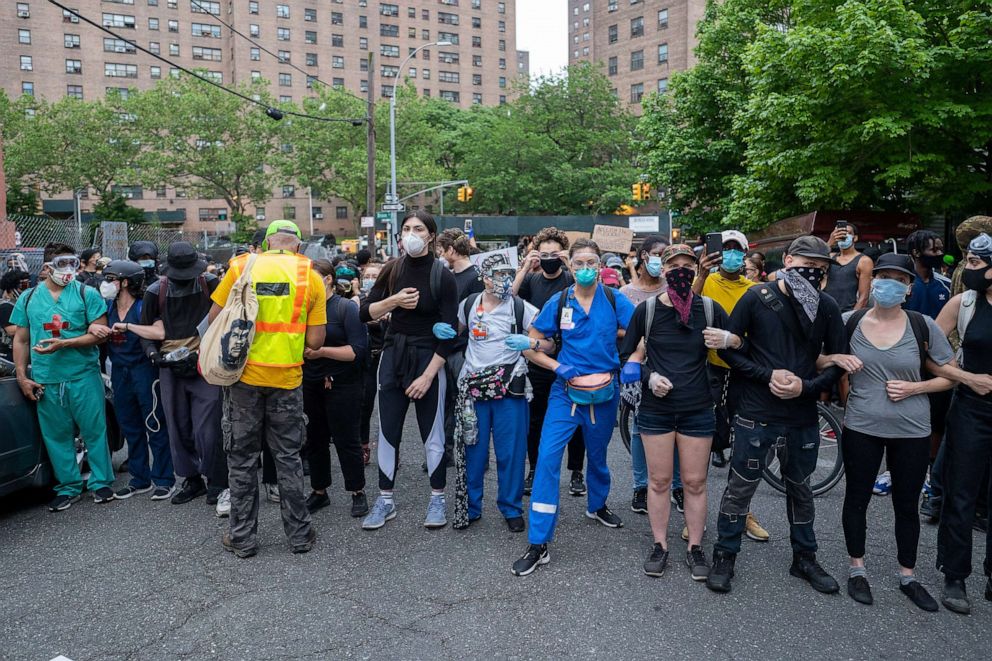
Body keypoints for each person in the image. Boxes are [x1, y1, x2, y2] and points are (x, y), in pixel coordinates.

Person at [706, 236, 850, 595]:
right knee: (740, 487)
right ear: (786, 260)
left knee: (801, 488)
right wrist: (766, 375)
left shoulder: (827, 306)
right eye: (804, 263)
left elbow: (838, 359)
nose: (811, 271)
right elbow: (731, 351)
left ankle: (805, 557)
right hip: (756, 411)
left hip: (802, 413)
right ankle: (725, 554)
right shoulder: (756, 297)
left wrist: (807, 386)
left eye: (819, 268)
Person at [830, 253, 952, 611]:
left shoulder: (922, 325)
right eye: (882, 276)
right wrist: (837, 360)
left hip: (912, 429)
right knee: (857, 497)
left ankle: (908, 575)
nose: (888, 284)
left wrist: (916, 388)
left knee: (906, 504)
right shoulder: (848, 321)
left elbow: (950, 375)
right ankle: (857, 569)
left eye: (898, 279)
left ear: (909, 288)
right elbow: (819, 357)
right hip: (862, 426)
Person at [511, 238, 635, 576]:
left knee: (597, 457)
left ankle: (597, 505)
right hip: (564, 393)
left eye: (591, 263)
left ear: (600, 266)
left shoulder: (613, 299)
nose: (584, 269)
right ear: (571, 266)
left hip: (604, 394)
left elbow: (642, 331)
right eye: (578, 263)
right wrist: (553, 364)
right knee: (548, 460)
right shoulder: (559, 300)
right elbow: (536, 343)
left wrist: (632, 358)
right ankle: (539, 542)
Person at [209, 220, 327, 557]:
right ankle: (300, 536)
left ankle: (242, 538)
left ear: (265, 242)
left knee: (243, 459)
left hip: (243, 379)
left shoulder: (241, 266)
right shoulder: (310, 276)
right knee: (288, 459)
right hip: (287, 380)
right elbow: (317, 340)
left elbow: (215, 317)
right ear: (297, 246)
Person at [620, 244, 733, 580]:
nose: (680, 270)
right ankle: (660, 545)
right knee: (659, 481)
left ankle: (695, 547)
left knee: (695, 482)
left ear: (697, 269)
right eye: (673, 264)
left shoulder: (710, 309)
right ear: (663, 270)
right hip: (656, 410)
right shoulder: (648, 311)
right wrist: (649, 376)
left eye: (687, 264)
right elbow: (627, 358)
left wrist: (731, 341)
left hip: (697, 408)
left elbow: (740, 347)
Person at [358, 211, 459, 530]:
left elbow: (450, 333)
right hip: (392, 356)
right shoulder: (392, 268)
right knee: (387, 431)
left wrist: (429, 375)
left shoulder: (443, 276)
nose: (410, 234)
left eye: (418, 229)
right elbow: (364, 312)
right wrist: (394, 302)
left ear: (431, 235)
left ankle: (437, 499)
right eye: (406, 229)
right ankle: (385, 500)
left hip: (429, 358)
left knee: (433, 434)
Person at [10, 243, 115, 511]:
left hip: (82, 374)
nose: (68, 270)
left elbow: (100, 332)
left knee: (94, 429)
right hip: (47, 378)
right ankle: (68, 486)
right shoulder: (29, 298)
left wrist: (66, 344)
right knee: (56, 435)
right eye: (61, 264)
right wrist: (22, 376)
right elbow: (21, 340)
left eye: (72, 263)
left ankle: (101, 482)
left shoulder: (86, 294)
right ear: (46, 267)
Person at [444, 258, 538, 531]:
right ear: (484, 276)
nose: (505, 279)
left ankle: (511, 508)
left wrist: (531, 342)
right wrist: (441, 330)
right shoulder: (470, 304)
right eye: (499, 274)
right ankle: (472, 507)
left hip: (510, 389)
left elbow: (548, 341)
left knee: (511, 452)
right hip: (473, 389)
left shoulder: (522, 308)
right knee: (473, 450)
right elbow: (455, 332)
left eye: (510, 273)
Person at [926, 233, 992, 614]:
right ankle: (955, 575)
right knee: (961, 492)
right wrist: (969, 378)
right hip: (971, 407)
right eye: (968, 261)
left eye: (976, 263)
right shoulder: (963, 303)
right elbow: (930, 353)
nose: (968, 269)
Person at [693, 230, 770, 540]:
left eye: (737, 250)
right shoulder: (707, 281)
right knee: (703, 447)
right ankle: (696, 516)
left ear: (746, 255)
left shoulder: (756, 290)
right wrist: (700, 271)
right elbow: (687, 308)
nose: (731, 255)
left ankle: (742, 512)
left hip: (744, 375)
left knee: (745, 448)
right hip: (708, 372)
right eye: (725, 249)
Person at [141, 242, 228, 513]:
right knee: (177, 425)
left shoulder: (212, 284)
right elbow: (147, 329)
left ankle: (216, 479)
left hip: (205, 363)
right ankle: (191, 479)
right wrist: (154, 355)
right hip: (170, 366)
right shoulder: (156, 291)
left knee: (209, 425)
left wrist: (205, 353)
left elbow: (226, 321)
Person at [90, 260, 176, 501]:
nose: (105, 284)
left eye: (110, 279)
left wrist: (128, 327)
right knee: (130, 426)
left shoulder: (142, 306)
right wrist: (97, 330)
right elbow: (94, 327)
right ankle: (140, 479)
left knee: (155, 425)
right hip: (120, 372)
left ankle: (164, 479)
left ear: (125, 282)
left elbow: (159, 333)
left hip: (144, 371)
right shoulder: (106, 306)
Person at [513, 227, 587, 498]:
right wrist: (524, 267)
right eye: (544, 254)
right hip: (539, 359)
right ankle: (533, 469)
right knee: (536, 420)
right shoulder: (532, 280)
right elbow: (508, 298)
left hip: (571, 358)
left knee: (576, 416)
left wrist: (570, 263)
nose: (548, 258)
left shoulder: (571, 278)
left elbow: (589, 293)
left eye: (554, 254)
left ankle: (577, 471)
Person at [303, 259, 369, 518]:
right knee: (315, 440)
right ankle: (319, 491)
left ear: (328, 279)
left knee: (346, 439)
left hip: (343, 383)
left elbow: (357, 351)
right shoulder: (304, 308)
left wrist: (321, 352)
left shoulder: (345, 309)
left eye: (312, 277)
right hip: (310, 382)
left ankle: (357, 491)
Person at [619, 235, 668, 515]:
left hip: (672, 365)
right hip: (638, 367)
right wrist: (642, 335)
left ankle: (675, 486)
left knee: (675, 427)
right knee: (640, 427)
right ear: (643, 256)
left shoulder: (673, 289)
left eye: (666, 255)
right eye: (656, 254)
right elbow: (616, 330)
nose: (660, 260)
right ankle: (640, 485)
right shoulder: (626, 294)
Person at [359, 262, 386, 465]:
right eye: (367, 276)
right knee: (365, 405)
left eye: (374, 276)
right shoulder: (356, 301)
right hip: (365, 361)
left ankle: (390, 449)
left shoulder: (390, 300)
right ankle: (364, 445)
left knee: (388, 408)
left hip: (385, 357)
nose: (370, 279)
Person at [823, 222, 873, 313]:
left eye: (848, 233)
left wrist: (850, 318)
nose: (844, 236)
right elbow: (813, 259)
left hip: (846, 313)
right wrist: (829, 243)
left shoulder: (864, 261)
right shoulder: (830, 257)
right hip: (824, 312)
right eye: (840, 233)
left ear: (855, 238)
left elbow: (864, 297)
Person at [1, 269, 31, 362]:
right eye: (23, 286)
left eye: (28, 284)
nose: (26, 289)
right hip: (9, 353)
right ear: (11, 288)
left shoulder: (23, 305)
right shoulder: (6, 306)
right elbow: (11, 330)